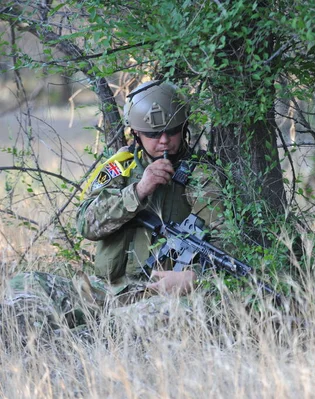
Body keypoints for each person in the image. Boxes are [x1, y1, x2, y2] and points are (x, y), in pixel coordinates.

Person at [1, 80, 222, 343]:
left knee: (167, 314)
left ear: (183, 128)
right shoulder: (120, 167)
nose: (163, 141)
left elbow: (224, 242)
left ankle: (69, 343)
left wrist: (193, 277)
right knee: (28, 283)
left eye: (171, 131)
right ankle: (28, 334)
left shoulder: (201, 175)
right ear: (136, 134)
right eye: (152, 134)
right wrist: (138, 191)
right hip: (102, 291)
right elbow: (86, 223)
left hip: (155, 294)